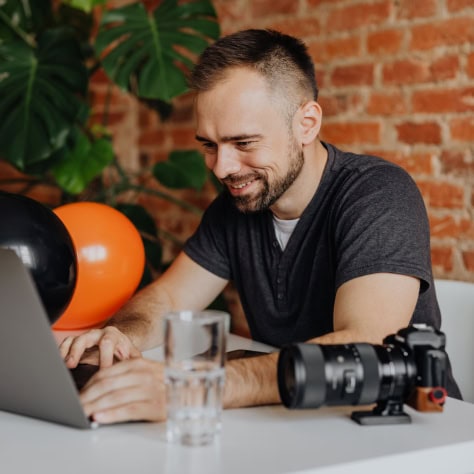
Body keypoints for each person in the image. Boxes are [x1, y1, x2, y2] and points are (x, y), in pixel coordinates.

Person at [60, 29, 461, 424]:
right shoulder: (237, 205)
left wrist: (194, 387)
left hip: (408, 429)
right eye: (209, 145)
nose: (222, 167)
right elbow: (166, 300)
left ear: (306, 123)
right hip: (297, 422)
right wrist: (120, 335)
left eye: (244, 143)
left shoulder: (378, 194)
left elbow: (364, 344)